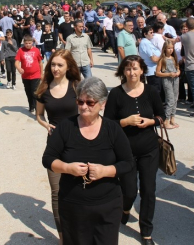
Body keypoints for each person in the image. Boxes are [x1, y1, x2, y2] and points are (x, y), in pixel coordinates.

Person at [42, 77, 133, 245]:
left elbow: (128, 163)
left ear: (102, 104)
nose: (84, 106)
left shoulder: (113, 129)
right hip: (72, 206)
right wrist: (68, 168)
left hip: (107, 206)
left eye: (90, 102)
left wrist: (105, 171)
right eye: (80, 101)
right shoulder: (65, 127)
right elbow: (48, 159)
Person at [104, 55, 165, 245]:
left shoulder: (152, 91)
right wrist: (125, 121)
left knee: (148, 190)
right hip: (125, 151)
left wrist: (152, 121)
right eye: (128, 69)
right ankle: (125, 208)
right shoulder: (115, 94)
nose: (132, 72)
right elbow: (107, 124)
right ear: (123, 71)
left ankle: (146, 230)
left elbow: (161, 116)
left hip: (149, 149)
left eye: (135, 68)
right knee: (129, 190)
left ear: (142, 71)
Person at [36, 50, 81, 244]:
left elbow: (88, 109)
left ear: (68, 67)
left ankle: (79, 229)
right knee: (57, 193)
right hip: (54, 147)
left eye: (60, 65)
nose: (55, 68)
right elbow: (38, 115)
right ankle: (63, 238)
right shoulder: (43, 89)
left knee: (79, 189)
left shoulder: (77, 86)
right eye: (53, 65)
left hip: (78, 145)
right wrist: (45, 124)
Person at [15, 35, 43, 114]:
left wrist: (42, 74)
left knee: (35, 92)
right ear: (23, 43)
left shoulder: (36, 50)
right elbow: (16, 62)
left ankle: (38, 111)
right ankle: (31, 106)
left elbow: (40, 62)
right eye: (26, 43)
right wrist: (19, 68)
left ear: (32, 43)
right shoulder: (21, 50)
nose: (27, 45)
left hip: (36, 75)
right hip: (25, 76)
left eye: (29, 43)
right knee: (28, 92)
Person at [155, 41, 180, 129]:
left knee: (175, 98)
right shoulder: (162, 59)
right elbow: (158, 73)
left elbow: (178, 68)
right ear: (165, 49)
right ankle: (166, 120)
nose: (170, 50)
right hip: (167, 80)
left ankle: (172, 118)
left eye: (172, 48)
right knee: (170, 99)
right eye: (169, 48)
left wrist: (177, 73)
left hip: (175, 80)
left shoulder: (174, 58)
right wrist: (169, 74)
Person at [139, 26, 162, 97]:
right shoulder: (145, 43)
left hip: (155, 70)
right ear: (145, 34)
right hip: (152, 71)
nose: (153, 34)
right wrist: (163, 59)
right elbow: (154, 59)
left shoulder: (148, 42)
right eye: (151, 32)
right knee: (155, 92)